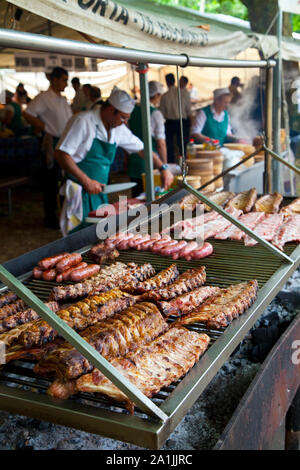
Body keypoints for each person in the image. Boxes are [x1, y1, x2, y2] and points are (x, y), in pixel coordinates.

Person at [54, 88, 174, 233]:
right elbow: (61, 154)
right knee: (77, 235)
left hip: (99, 191)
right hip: (79, 191)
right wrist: (86, 180)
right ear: (111, 109)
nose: (124, 122)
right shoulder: (83, 121)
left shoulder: (118, 128)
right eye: (123, 117)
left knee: (99, 232)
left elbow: (143, 149)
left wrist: (163, 169)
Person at [23, 66, 72, 228]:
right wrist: (44, 126)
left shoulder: (63, 99)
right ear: (55, 79)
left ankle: (65, 214)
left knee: (66, 179)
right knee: (51, 180)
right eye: (64, 80)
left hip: (66, 142)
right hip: (53, 142)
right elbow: (28, 113)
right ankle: (50, 217)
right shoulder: (44, 97)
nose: (66, 83)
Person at [128, 80, 168, 197]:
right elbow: (161, 143)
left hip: (134, 161)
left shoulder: (132, 111)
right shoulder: (155, 114)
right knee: (152, 200)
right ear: (156, 95)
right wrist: (164, 165)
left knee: (136, 199)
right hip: (151, 163)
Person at [159, 73, 191, 163]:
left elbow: (162, 113)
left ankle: (171, 163)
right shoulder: (183, 93)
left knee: (170, 146)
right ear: (175, 81)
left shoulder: (164, 96)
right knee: (182, 145)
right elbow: (189, 110)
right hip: (182, 121)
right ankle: (184, 163)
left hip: (170, 123)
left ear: (167, 82)